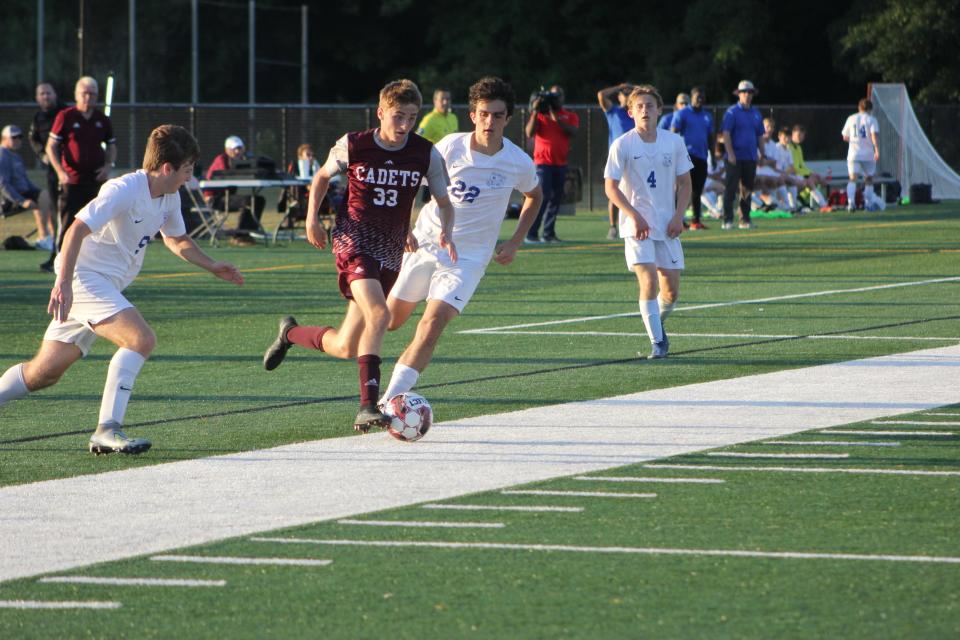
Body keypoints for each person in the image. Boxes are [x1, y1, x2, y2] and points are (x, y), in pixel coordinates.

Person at [0, 125, 244, 455]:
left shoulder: (169, 196)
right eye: (187, 169)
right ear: (168, 168)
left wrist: (212, 265)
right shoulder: (124, 189)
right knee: (141, 339)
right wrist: (63, 284)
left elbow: (176, 239)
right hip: (83, 279)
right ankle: (107, 429)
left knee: (44, 373)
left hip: (103, 284)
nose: (190, 176)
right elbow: (75, 231)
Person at [261, 79, 456, 433]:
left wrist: (444, 230)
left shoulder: (425, 153)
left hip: (390, 250)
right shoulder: (354, 144)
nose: (405, 125)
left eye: (412, 117)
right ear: (381, 112)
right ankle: (368, 405)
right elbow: (320, 178)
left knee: (346, 345)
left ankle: (290, 334)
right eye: (398, 116)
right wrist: (311, 221)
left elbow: (443, 201)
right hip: (352, 241)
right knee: (379, 314)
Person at [380, 76, 543, 402]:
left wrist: (514, 242)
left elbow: (534, 196)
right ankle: (305, 335)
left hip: (468, 259)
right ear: (473, 115)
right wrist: (405, 226)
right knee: (388, 321)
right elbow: (413, 182)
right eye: (484, 113)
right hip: (424, 243)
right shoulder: (449, 146)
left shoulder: (517, 162)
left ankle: (389, 402)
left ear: (508, 119)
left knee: (431, 324)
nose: (489, 121)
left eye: (497, 115)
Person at [604, 85, 692, 360]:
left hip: (667, 225)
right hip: (636, 226)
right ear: (630, 112)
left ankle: (656, 322)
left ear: (659, 110)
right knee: (648, 280)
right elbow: (611, 187)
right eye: (639, 106)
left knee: (672, 291)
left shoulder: (674, 142)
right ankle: (658, 342)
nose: (645, 110)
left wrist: (679, 216)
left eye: (649, 105)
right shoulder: (622, 144)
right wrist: (633, 215)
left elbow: (685, 183)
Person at [41, 76, 116, 272]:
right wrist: (60, 171)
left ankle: (95, 264)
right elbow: (51, 146)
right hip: (72, 181)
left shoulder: (102, 120)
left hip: (95, 181)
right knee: (67, 224)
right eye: (84, 93)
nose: (88, 97)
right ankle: (59, 263)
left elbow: (112, 145)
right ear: (76, 95)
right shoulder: (66, 116)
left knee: (98, 224)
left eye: (92, 94)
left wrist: (108, 166)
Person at [524, 84, 579, 243]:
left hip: (560, 163)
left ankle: (548, 234)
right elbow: (529, 132)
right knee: (542, 197)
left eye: (558, 96)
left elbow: (572, 132)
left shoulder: (569, 115)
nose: (555, 99)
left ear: (562, 97)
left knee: (555, 199)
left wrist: (555, 114)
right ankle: (531, 234)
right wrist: (535, 111)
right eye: (552, 96)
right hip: (542, 163)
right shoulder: (541, 115)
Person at [203, 135, 265, 243]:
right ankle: (239, 236)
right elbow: (226, 175)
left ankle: (245, 234)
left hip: (225, 196)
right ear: (227, 150)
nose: (237, 151)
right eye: (234, 149)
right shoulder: (222, 159)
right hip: (214, 200)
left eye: (240, 148)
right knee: (249, 201)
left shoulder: (242, 160)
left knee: (258, 200)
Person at [0, 124, 53, 248]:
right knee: (44, 197)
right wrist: (21, 201)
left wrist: (39, 193)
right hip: (8, 199)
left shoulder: (16, 156)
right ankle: (44, 237)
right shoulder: (2, 155)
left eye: (20, 137)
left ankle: (51, 237)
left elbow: (25, 181)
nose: (18, 140)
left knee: (47, 197)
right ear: (4, 138)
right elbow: (2, 184)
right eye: (14, 137)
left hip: (22, 193)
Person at [720, 80, 764, 229]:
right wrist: (730, 153)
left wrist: (762, 153)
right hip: (734, 157)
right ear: (739, 94)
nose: (748, 95)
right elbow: (726, 134)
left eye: (750, 92)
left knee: (747, 190)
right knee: (731, 188)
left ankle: (745, 219)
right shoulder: (732, 112)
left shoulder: (756, 113)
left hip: (750, 157)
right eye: (745, 92)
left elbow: (760, 135)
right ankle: (727, 220)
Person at [29, 82, 65, 256]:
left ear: (55, 94)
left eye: (48, 93)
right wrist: (43, 154)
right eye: (42, 94)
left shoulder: (65, 113)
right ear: (37, 98)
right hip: (53, 171)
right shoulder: (38, 118)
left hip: (71, 170)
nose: (46, 96)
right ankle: (56, 251)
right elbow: (33, 139)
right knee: (54, 207)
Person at [671, 87, 713, 229]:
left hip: (702, 157)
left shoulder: (707, 116)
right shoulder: (682, 114)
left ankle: (696, 221)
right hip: (686, 156)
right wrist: (675, 153)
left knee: (697, 190)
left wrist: (712, 155)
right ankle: (677, 219)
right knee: (682, 188)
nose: (700, 100)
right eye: (697, 97)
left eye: (702, 97)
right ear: (692, 98)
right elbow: (673, 133)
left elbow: (710, 137)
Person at [597, 83, 635, 239]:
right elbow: (601, 95)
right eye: (623, 94)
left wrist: (634, 88)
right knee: (614, 192)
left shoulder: (636, 113)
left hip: (636, 156)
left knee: (635, 191)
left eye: (629, 94)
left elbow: (650, 93)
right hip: (617, 158)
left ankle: (633, 222)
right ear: (619, 96)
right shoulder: (613, 112)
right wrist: (620, 87)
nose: (626, 96)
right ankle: (613, 227)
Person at [842, 98, 881, 211]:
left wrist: (855, 140)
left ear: (859, 108)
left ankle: (851, 203)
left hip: (854, 154)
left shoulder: (851, 118)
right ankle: (868, 204)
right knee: (868, 179)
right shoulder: (871, 119)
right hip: (868, 154)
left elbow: (845, 136)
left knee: (852, 178)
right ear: (870, 109)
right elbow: (873, 135)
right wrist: (876, 149)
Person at [787, 125, 829, 210]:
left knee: (815, 179)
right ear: (792, 134)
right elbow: (794, 167)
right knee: (810, 182)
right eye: (798, 135)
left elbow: (801, 165)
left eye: (802, 135)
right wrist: (809, 174)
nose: (800, 137)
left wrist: (813, 173)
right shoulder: (789, 147)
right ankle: (820, 204)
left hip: (797, 175)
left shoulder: (798, 147)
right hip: (791, 175)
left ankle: (823, 205)